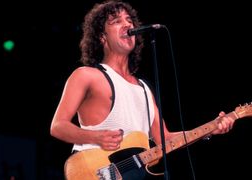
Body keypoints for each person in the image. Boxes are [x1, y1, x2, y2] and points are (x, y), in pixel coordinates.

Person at [50, 0, 235, 179]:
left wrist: (210, 129)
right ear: (102, 36)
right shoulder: (86, 75)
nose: (126, 24)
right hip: (95, 172)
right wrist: (95, 137)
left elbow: (165, 139)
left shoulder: (144, 89)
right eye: (116, 21)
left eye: (129, 20)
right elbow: (58, 126)